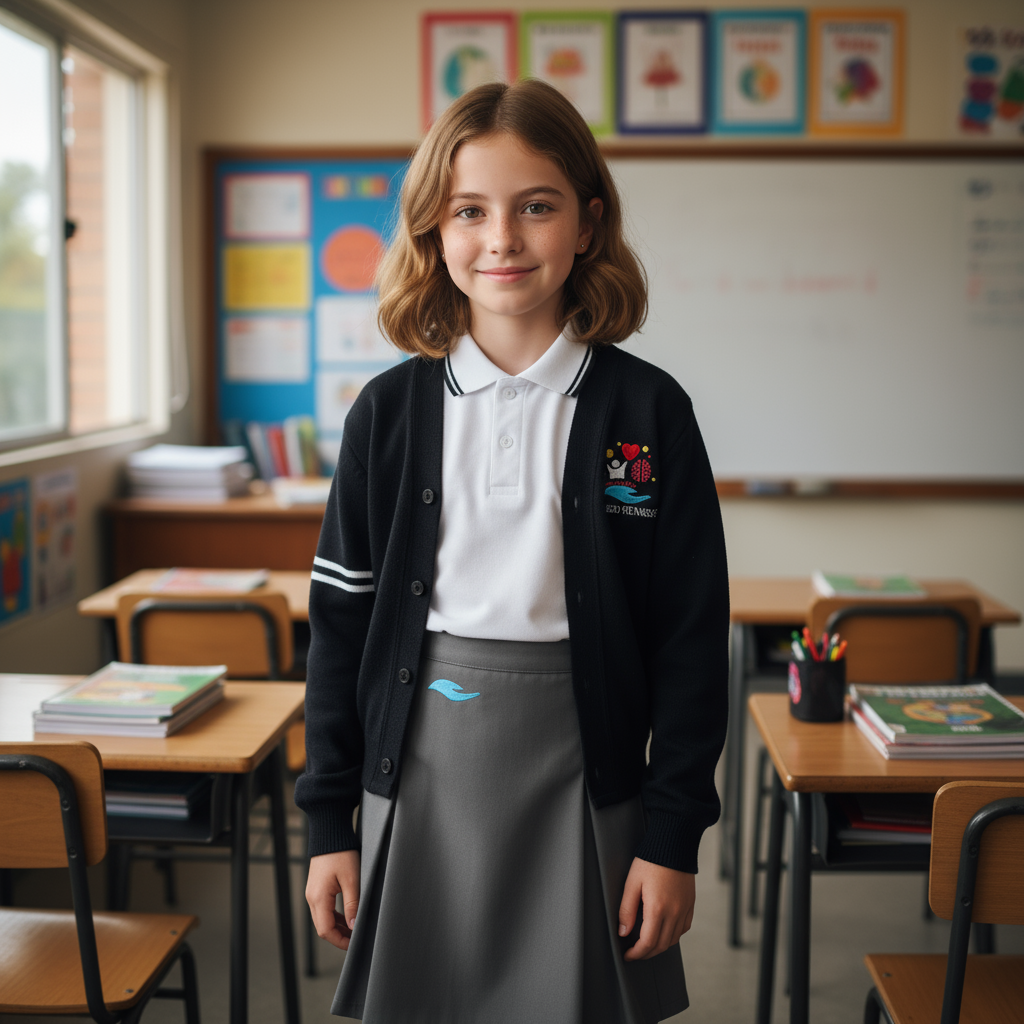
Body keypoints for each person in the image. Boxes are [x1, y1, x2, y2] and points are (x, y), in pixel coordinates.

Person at [296, 78, 730, 1024]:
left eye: (536, 206)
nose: (503, 239)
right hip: (421, 774)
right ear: (433, 232)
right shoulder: (388, 413)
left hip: (587, 770)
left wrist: (671, 837)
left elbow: (692, 645)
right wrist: (331, 822)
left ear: (587, 223)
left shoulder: (650, 412)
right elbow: (340, 633)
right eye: (470, 211)